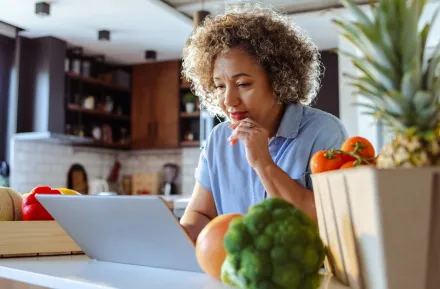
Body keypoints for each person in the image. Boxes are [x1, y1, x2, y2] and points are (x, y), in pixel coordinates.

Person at [179, 4, 349, 242]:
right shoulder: (219, 138)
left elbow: (327, 222)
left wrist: (263, 163)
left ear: (279, 80)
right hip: (235, 274)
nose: (228, 100)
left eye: (243, 84)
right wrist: (174, 236)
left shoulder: (324, 132)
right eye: (219, 86)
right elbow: (201, 215)